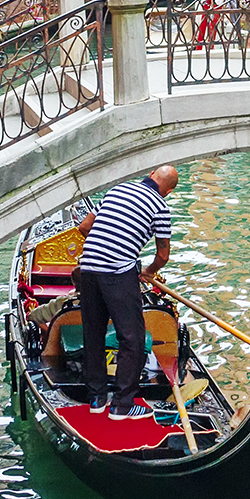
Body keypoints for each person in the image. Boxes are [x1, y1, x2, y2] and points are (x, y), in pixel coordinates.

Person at [74, 166, 179, 420]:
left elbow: (85, 227)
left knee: (94, 332)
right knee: (132, 337)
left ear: (152, 173)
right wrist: (148, 271)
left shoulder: (117, 189)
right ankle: (122, 406)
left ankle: (97, 398)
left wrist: (104, 247)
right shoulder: (160, 207)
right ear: (170, 191)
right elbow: (163, 254)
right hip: (118, 273)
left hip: (88, 268)